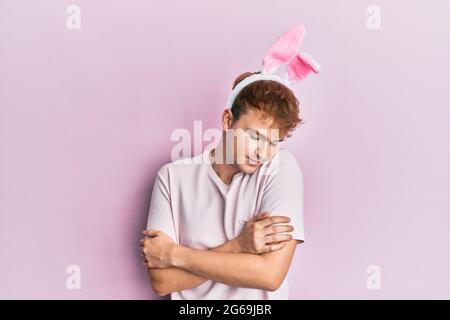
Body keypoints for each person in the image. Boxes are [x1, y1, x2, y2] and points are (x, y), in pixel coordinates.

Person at [140, 24, 320, 299]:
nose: (263, 152)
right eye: (255, 136)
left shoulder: (281, 168)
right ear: (227, 121)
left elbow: (269, 275)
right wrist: (239, 246)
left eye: (273, 142)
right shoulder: (172, 177)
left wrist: (173, 254)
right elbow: (162, 281)